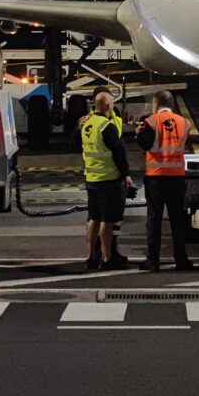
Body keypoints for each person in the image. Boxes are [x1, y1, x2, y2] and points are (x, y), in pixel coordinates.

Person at [135, 90, 193, 272]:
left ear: (156, 103)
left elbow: (145, 144)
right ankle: (181, 259)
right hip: (177, 177)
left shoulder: (151, 122)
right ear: (172, 104)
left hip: (156, 177)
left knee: (154, 220)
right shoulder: (185, 123)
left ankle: (153, 261)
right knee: (178, 220)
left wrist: (138, 133)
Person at [76, 89, 133, 270]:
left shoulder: (87, 123)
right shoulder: (106, 126)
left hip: (91, 178)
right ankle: (107, 259)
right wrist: (125, 174)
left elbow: (74, 144)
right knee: (107, 221)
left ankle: (91, 256)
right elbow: (118, 153)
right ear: (108, 105)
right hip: (108, 179)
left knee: (93, 217)